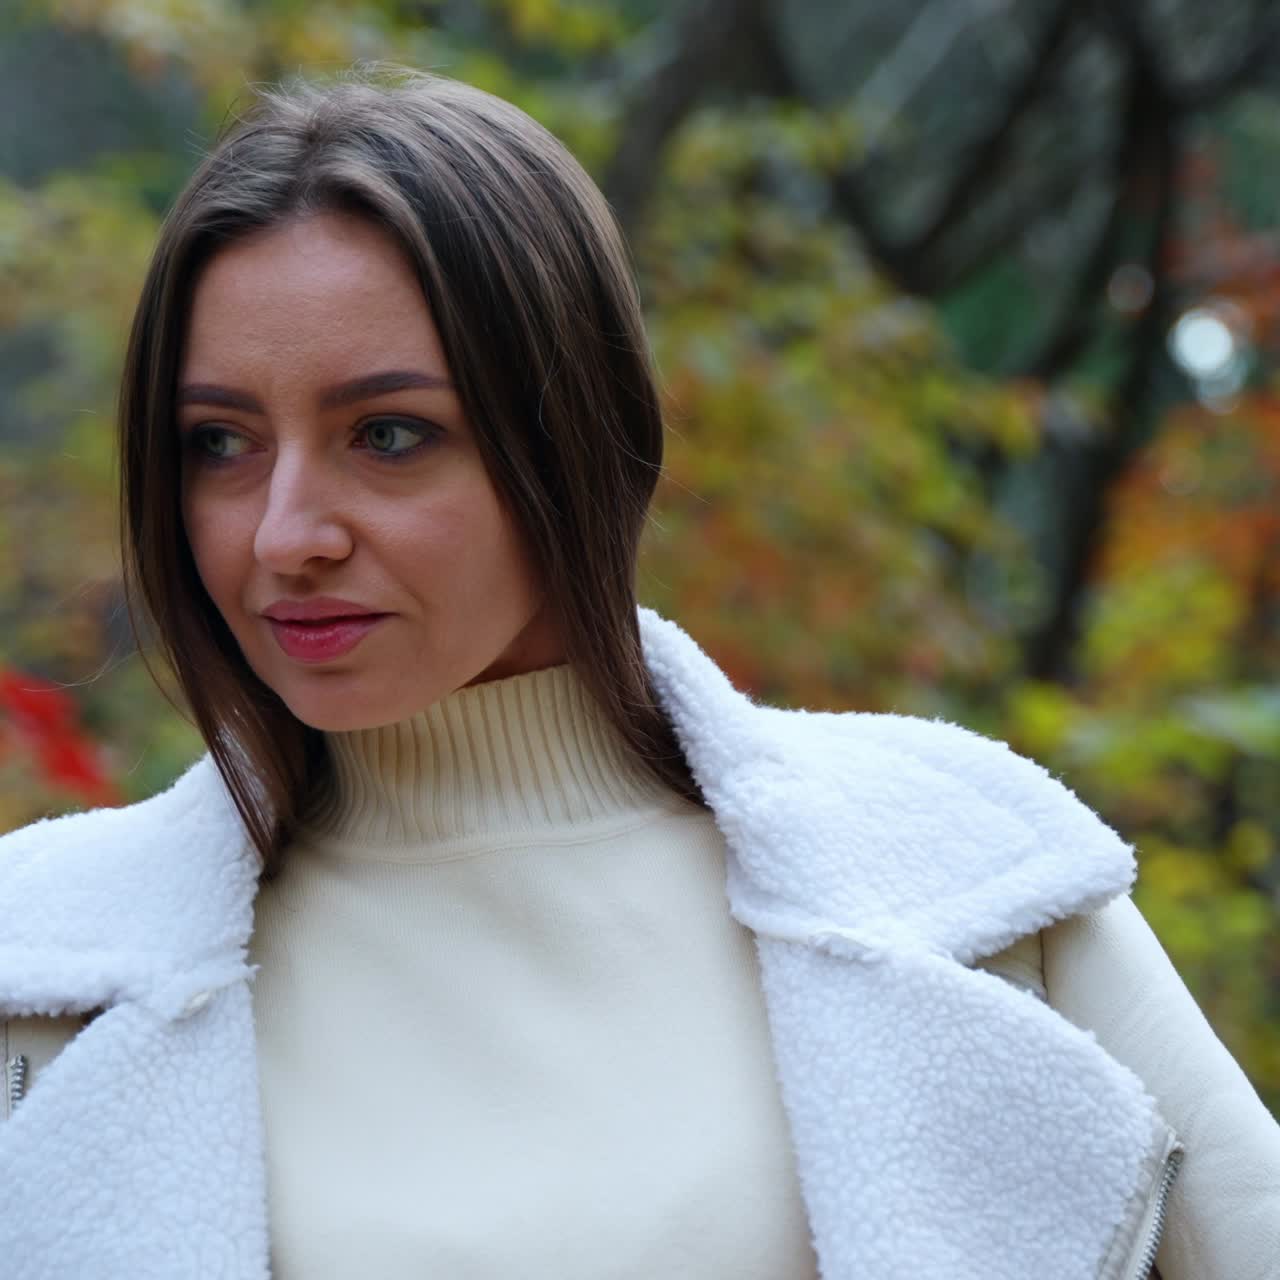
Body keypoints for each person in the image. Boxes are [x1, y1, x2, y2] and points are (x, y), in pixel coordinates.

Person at [0, 67, 1276, 1280]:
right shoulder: (41, 966)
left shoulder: (965, 874)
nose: (285, 533)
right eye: (217, 442)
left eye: (388, 435)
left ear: (576, 438)